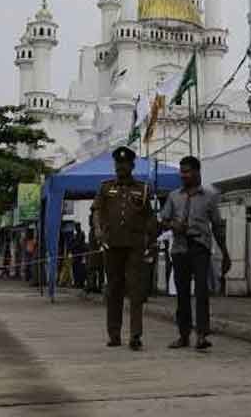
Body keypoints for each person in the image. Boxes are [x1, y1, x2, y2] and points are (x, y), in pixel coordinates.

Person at [160, 156, 231, 351]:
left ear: (197, 172)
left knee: (201, 291)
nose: (184, 175)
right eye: (181, 172)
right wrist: (174, 225)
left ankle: (201, 335)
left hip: (200, 247)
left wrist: (225, 252)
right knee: (182, 293)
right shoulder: (174, 196)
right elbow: (163, 220)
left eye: (187, 171)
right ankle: (183, 335)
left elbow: (217, 226)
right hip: (180, 248)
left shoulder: (209, 197)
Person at [92, 146, 157, 351]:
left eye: (125, 164)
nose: (121, 167)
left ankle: (135, 335)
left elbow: (149, 217)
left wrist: (152, 239)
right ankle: (114, 334)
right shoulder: (105, 187)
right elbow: (96, 211)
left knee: (136, 291)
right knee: (113, 290)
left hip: (135, 247)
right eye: (118, 164)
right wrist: (97, 230)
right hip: (112, 245)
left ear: (132, 165)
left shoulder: (143, 188)